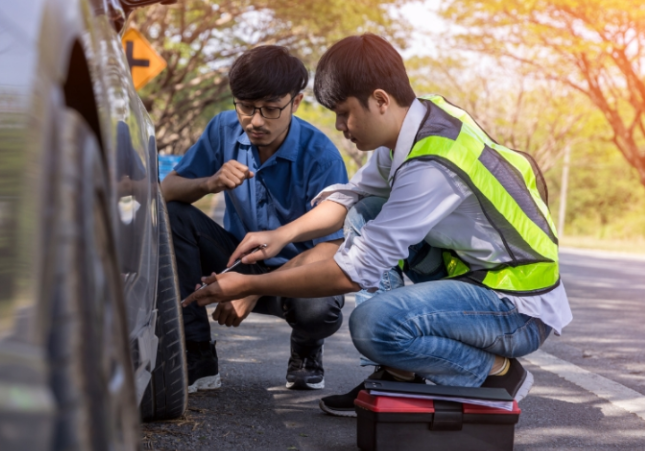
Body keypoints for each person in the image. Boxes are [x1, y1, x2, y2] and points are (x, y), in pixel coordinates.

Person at [182, 34, 572, 417]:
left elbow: (354, 273)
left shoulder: (431, 165)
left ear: (380, 100)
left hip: (516, 307)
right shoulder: (418, 121)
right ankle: (396, 374)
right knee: (366, 209)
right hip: (475, 277)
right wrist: (281, 235)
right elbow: (350, 197)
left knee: (373, 326)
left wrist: (249, 284)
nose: (339, 125)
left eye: (344, 112)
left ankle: (496, 372)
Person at [161, 45, 349, 393]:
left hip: (298, 275)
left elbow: (336, 247)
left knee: (318, 309)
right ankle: (197, 353)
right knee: (174, 217)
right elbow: (167, 190)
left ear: (295, 102)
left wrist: (252, 288)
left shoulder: (320, 154)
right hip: (238, 260)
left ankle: (307, 348)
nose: (256, 121)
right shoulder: (223, 128)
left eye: (271, 109)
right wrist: (210, 182)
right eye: (246, 107)